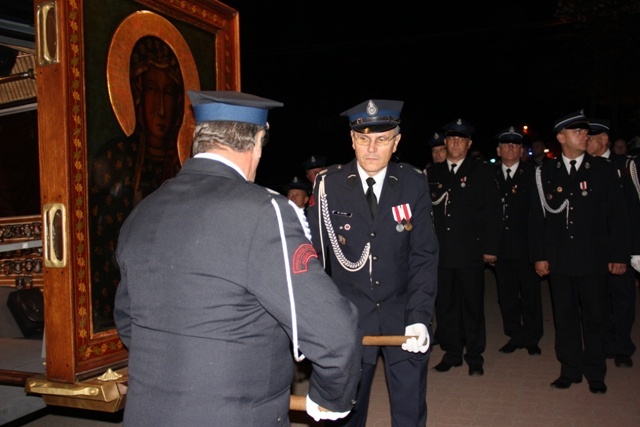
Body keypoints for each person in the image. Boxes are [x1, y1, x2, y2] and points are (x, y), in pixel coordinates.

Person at [113, 90, 363, 426]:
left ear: (198, 138)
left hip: (146, 412)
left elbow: (128, 320)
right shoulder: (263, 212)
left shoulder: (143, 212)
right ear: (258, 141)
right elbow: (332, 331)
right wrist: (332, 396)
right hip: (233, 414)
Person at [307, 99, 439, 427]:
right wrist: (323, 320)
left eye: (382, 139)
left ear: (396, 142)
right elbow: (314, 259)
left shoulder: (413, 182)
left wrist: (420, 317)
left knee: (409, 410)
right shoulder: (328, 185)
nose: (371, 147)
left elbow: (424, 255)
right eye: (363, 138)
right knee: (346, 412)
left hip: (403, 312)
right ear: (352, 140)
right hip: (349, 318)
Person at [529, 110, 630, 394]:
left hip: (593, 259)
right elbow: (537, 219)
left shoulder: (602, 170)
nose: (585, 136)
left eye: (586, 132)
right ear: (561, 138)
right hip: (560, 260)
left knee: (595, 318)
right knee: (565, 318)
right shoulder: (545, 172)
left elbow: (617, 217)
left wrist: (620, 255)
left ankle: (595, 372)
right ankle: (569, 369)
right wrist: (539, 255)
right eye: (578, 132)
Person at [89, 36, 184, 331]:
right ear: (136, 93)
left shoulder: (185, 166)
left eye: (169, 93)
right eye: (152, 90)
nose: (161, 109)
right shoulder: (116, 158)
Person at [427, 118, 502, 376]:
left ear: (469, 144)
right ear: (445, 143)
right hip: (442, 254)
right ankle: (452, 352)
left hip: (470, 251)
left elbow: (493, 214)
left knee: (472, 305)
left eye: (461, 140)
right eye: (451, 139)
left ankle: (475, 355)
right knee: (445, 306)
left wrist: (491, 247)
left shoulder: (481, 172)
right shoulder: (433, 173)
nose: (455, 144)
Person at [586, 118, 636, 368]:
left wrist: (632, 251)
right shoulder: (584, 167)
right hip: (594, 249)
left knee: (622, 299)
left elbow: (634, 211)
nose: (585, 141)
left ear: (603, 139)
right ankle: (604, 344)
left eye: (590, 137)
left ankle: (623, 347)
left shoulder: (626, 166)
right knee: (598, 301)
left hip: (620, 247)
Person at [493, 126, 543, 355]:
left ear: (521, 150)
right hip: (501, 248)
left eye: (515, 145)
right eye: (506, 145)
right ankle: (514, 335)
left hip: (526, 247)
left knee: (530, 294)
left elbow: (538, 214)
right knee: (507, 295)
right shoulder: (489, 175)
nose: (511, 149)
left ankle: (532, 337)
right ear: (499, 150)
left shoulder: (533, 174)